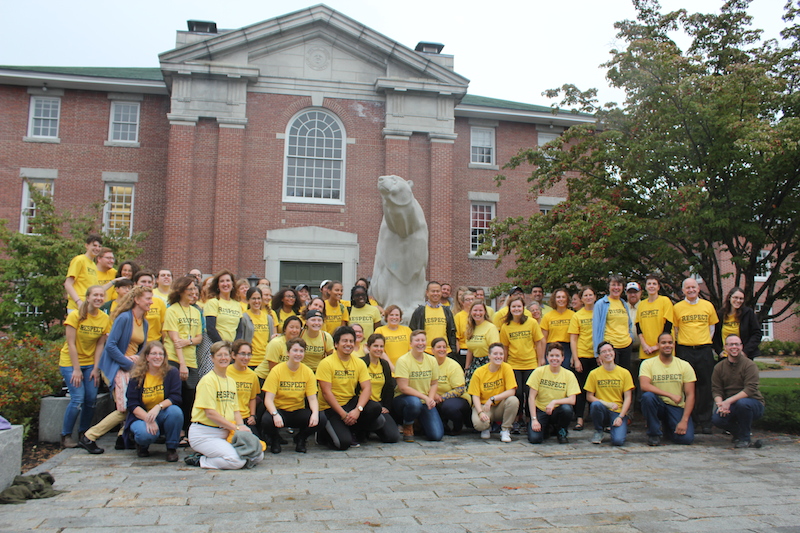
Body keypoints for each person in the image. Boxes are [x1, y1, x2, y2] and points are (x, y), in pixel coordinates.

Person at [79, 286, 152, 454]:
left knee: (134, 403)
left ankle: (122, 437)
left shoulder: (144, 322)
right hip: (115, 366)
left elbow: (142, 347)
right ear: (137, 300)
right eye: (147, 299)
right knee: (125, 408)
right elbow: (110, 346)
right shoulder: (124, 318)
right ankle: (89, 436)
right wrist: (128, 363)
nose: (151, 302)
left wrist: (137, 362)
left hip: (131, 367)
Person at [185, 340, 264, 469]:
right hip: (205, 433)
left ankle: (220, 454)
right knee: (236, 461)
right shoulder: (207, 381)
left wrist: (242, 428)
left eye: (226, 355)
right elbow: (210, 413)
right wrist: (236, 429)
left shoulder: (231, 381)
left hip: (226, 432)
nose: (223, 358)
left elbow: (236, 411)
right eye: (219, 355)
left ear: (230, 356)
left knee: (257, 455)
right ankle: (201, 460)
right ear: (212, 358)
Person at [58, 285, 110, 448]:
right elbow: (71, 344)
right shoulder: (76, 315)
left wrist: (96, 368)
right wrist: (76, 369)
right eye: (95, 295)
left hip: (90, 364)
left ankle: (84, 433)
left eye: (101, 295)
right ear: (87, 297)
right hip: (70, 363)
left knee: (91, 399)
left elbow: (100, 345)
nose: (98, 298)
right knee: (78, 399)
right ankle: (66, 435)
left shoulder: (104, 318)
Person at [316, 326, 382, 451]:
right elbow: (326, 392)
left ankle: (354, 430)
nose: (348, 344)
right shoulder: (326, 363)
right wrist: (343, 415)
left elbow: (367, 388)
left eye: (351, 341)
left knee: (375, 409)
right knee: (342, 444)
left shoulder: (359, 362)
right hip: (331, 407)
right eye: (344, 341)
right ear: (336, 344)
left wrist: (358, 410)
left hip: (350, 403)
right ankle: (324, 433)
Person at [123, 341, 183, 462]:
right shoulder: (137, 375)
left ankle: (171, 448)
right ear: (147, 357)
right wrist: (147, 418)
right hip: (141, 416)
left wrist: (158, 407)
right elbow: (132, 404)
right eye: (154, 353)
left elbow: (175, 397)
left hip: (161, 413)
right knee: (146, 435)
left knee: (175, 412)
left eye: (161, 354)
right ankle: (142, 445)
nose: (157, 357)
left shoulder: (172, 372)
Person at [673, 277, 718, 433]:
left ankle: (705, 420)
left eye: (693, 287)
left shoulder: (708, 306)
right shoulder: (677, 308)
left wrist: (703, 342)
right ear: (683, 290)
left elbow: (712, 328)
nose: (691, 290)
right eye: (687, 288)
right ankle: (689, 418)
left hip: (704, 349)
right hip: (685, 350)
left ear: (698, 289)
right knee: (687, 386)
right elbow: (676, 330)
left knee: (705, 385)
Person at [163, 276, 203, 446]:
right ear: (181, 291)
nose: (194, 292)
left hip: (191, 360)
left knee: (190, 398)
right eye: (190, 289)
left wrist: (188, 341)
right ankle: (175, 432)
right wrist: (182, 365)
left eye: (195, 289)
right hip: (174, 359)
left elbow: (199, 338)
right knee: (175, 397)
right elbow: (174, 340)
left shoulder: (196, 311)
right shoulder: (172, 310)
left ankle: (188, 431)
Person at [262, 338, 320, 453]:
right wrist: (275, 414)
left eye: (301, 351)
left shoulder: (308, 372)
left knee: (321, 419)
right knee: (266, 420)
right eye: (295, 350)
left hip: (298, 410)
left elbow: (312, 398)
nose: (298, 354)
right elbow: (268, 399)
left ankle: (301, 439)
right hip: (280, 410)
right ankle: (275, 440)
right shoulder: (276, 371)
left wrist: (315, 414)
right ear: (288, 352)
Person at [639, 333, 696, 446]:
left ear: (674, 345)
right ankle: (654, 433)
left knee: (686, 439)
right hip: (658, 404)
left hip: (676, 406)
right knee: (647, 397)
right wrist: (670, 395)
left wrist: (684, 420)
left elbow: (690, 395)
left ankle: (668, 427)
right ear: (658, 345)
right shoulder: (648, 364)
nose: (667, 345)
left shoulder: (684, 365)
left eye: (670, 342)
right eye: (663, 343)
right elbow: (644, 385)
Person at [500, 294, 545, 433]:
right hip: (514, 364)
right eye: (514, 307)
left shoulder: (531, 323)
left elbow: (539, 343)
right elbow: (505, 347)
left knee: (529, 392)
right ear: (510, 309)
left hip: (531, 363)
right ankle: (517, 419)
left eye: (519, 306)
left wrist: (541, 360)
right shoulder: (506, 326)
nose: (516, 309)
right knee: (517, 393)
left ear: (523, 308)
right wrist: (505, 364)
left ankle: (529, 419)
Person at [711, 335, 765, 448]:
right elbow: (716, 389)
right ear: (725, 347)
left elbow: (750, 389)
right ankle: (739, 434)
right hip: (732, 404)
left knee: (743, 404)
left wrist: (728, 401)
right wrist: (721, 404)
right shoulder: (719, 367)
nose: (734, 347)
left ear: (741, 346)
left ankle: (745, 439)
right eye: (731, 344)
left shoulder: (749, 365)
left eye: (737, 344)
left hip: (753, 403)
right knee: (717, 419)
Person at [393, 330, 443, 442]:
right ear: (410, 343)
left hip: (424, 400)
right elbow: (403, 387)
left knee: (436, 436)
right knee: (414, 403)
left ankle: (419, 423)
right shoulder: (403, 361)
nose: (420, 343)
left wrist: (430, 398)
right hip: (405, 399)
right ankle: (408, 425)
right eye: (417, 340)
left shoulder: (432, 360)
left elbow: (434, 383)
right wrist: (425, 397)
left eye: (423, 340)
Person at [526, 343, 579, 444]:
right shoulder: (538, 372)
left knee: (567, 409)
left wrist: (554, 402)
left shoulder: (569, 375)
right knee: (535, 439)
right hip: (541, 410)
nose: (554, 359)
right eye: (552, 356)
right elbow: (531, 397)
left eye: (557, 356)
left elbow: (572, 400)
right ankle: (548, 429)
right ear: (547, 357)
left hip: (558, 410)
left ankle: (562, 431)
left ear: (563, 358)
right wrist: (534, 419)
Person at [585, 341, 634, 446]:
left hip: (618, 411)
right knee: (596, 405)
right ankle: (599, 431)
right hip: (603, 408)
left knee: (618, 441)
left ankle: (615, 427)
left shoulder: (624, 373)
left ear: (614, 352)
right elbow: (589, 396)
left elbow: (628, 398)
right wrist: (606, 403)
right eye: (604, 352)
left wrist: (621, 416)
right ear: (599, 356)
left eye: (610, 350)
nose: (607, 354)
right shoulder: (594, 374)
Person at [468, 343, 519, 442]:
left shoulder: (507, 368)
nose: (498, 357)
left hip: (500, 405)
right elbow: (475, 396)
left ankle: (505, 430)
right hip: (484, 406)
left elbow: (512, 391)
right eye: (495, 354)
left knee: (513, 400)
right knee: (479, 424)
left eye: (501, 354)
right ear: (489, 356)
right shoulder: (479, 372)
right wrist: (480, 412)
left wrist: (493, 398)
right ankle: (486, 427)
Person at [361, 333, 400, 443]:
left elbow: (389, 387)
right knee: (372, 409)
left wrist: (386, 406)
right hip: (364, 405)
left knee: (393, 437)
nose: (379, 349)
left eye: (381, 346)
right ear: (368, 347)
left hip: (379, 406)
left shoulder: (384, 364)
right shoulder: (361, 363)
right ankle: (362, 429)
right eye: (375, 346)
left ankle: (374, 428)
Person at [568, 286, 596, 431]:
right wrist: (576, 358)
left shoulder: (600, 313)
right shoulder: (577, 316)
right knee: (581, 389)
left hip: (597, 356)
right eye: (586, 295)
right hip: (583, 355)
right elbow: (573, 339)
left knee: (597, 389)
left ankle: (596, 418)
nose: (588, 297)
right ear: (582, 299)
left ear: (595, 297)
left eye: (591, 295)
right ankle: (580, 419)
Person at [592, 275, 634, 371]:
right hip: (610, 348)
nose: (616, 288)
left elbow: (629, 324)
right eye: (613, 285)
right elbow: (596, 329)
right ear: (609, 287)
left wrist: (630, 338)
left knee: (625, 376)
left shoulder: (624, 303)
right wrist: (597, 353)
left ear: (623, 288)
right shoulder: (601, 304)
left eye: (619, 285)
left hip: (626, 346)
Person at [430, 337, 471, 435]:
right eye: (439, 347)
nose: (442, 349)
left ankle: (458, 426)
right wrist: (432, 395)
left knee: (448, 407)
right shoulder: (428, 363)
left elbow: (460, 389)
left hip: (457, 398)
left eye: (444, 347)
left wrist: (441, 398)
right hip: (433, 398)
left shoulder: (453, 365)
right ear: (432, 350)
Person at [713, 287, 762, 360]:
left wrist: (745, 352)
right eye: (735, 297)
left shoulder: (748, 313)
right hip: (725, 356)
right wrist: (719, 351)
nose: (738, 301)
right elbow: (714, 335)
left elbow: (757, 334)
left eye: (741, 298)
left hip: (743, 356)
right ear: (729, 298)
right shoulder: (720, 314)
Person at [409, 281, 457, 354]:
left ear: (441, 293)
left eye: (438, 291)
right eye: (433, 291)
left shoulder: (447, 311)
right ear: (427, 293)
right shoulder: (420, 311)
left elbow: (452, 333)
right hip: (425, 351)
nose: (435, 294)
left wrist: (453, 351)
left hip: (444, 351)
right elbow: (413, 332)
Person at [226, 340, 261, 438]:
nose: (246, 358)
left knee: (257, 444)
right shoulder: (225, 372)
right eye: (242, 354)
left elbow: (253, 398)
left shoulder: (253, 375)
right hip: (228, 417)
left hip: (245, 417)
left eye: (249, 354)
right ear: (233, 355)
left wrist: (252, 415)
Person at [254, 315, 304, 382]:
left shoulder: (298, 344)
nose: (294, 330)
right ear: (285, 329)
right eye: (291, 327)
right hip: (263, 378)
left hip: (282, 378)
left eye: (297, 328)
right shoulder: (276, 343)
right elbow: (273, 369)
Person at [464, 301, 500, 386]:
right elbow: (470, 350)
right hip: (474, 364)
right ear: (471, 312)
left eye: (480, 310)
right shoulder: (470, 328)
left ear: (485, 312)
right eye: (475, 310)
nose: (478, 313)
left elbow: (495, 350)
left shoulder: (491, 328)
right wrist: (466, 368)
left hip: (488, 363)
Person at [64, 233, 102, 312]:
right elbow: (68, 284)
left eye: (99, 246)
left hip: (89, 307)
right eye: (94, 245)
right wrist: (78, 302)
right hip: (77, 307)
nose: (97, 248)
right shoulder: (79, 260)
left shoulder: (93, 265)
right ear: (87, 246)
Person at [204, 270, 244, 343]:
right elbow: (210, 329)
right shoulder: (213, 302)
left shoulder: (237, 304)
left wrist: (234, 346)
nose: (225, 284)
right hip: (216, 346)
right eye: (222, 281)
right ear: (218, 285)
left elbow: (239, 330)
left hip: (232, 347)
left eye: (228, 280)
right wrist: (223, 346)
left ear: (232, 284)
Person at [541, 288, 575, 370]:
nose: (561, 299)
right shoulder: (547, 316)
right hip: (551, 347)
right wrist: (542, 357)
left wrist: (574, 356)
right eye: (558, 297)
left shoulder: (573, 315)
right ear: (554, 299)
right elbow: (543, 339)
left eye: (563, 297)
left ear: (567, 299)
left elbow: (576, 338)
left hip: (567, 348)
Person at [245, 287, 274, 370]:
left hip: (265, 361)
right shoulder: (244, 317)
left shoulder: (268, 318)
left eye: (259, 298)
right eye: (253, 298)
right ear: (248, 300)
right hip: (250, 360)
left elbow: (271, 340)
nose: (256, 301)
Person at [133, 271, 167, 343]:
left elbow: (164, 327)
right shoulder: (130, 302)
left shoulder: (159, 302)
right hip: (134, 343)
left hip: (154, 343)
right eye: (143, 281)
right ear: (135, 284)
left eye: (149, 282)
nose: (147, 284)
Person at [374, 305, 411, 370]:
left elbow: (411, 350)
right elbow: (380, 351)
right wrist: (392, 368)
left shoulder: (407, 330)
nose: (394, 317)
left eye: (397, 315)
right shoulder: (379, 330)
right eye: (391, 315)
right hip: (387, 369)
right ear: (386, 317)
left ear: (400, 317)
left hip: (406, 368)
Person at [454, 289, 475, 366]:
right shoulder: (458, 316)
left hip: (477, 349)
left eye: (472, 299)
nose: (470, 302)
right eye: (467, 300)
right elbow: (456, 336)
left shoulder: (478, 314)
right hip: (464, 350)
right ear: (462, 302)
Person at [626, 281, 642, 355]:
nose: (632, 295)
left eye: (635, 292)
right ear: (626, 293)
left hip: (643, 348)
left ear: (640, 293)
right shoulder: (622, 307)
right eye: (630, 292)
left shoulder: (645, 307)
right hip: (626, 349)